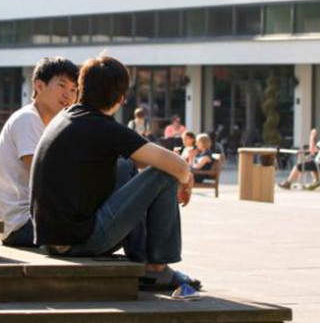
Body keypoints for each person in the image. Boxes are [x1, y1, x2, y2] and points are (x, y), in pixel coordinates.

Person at [30, 55, 201, 291]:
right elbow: (178, 166)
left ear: (81, 89)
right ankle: (157, 268)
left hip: (51, 239)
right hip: (79, 240)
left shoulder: (67, 118)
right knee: (164, 174)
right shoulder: (103, 127)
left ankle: (141, 255)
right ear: (120, 99)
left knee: (126, 165)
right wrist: (187, 179)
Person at [0, 57, 79, 248]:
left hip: (32, 220)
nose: (68, 95)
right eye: (62, 86)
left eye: (73, 89)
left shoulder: (52, 125)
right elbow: (43, 176)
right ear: (39, 86)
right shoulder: (27, 119)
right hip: (22, 224)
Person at [278, 121, 320, 191]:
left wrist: (312, 137)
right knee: (311, 159)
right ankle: (316, 181)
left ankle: (288, 183)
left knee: (298, 166)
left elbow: (312, 150)